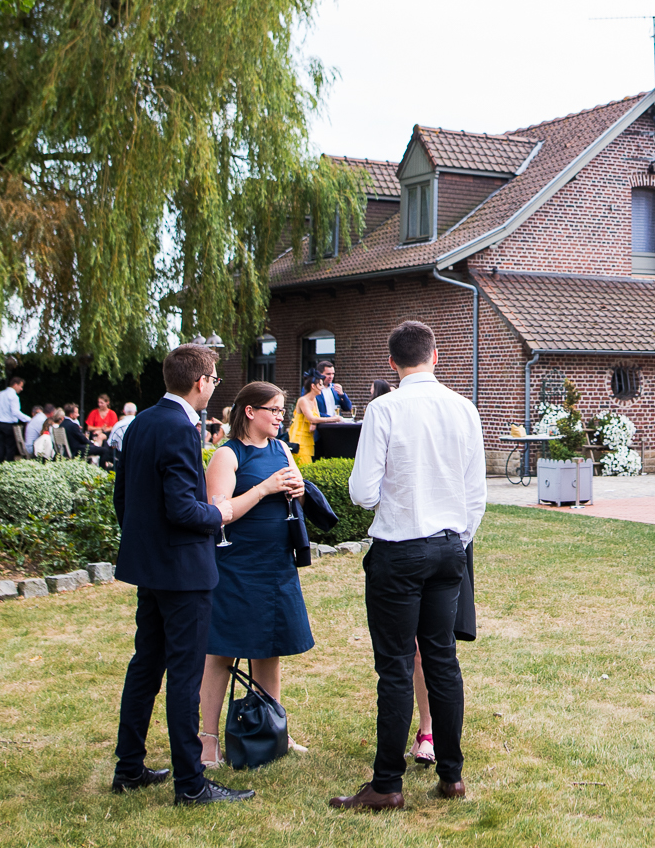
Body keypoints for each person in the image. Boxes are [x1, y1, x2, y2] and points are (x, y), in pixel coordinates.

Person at [329, 320, 486, 812]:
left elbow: (360, 492)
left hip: (399, 548)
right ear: (435, 356)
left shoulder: (384, 408)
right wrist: (458, 541)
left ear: (392, 362)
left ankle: (387, 784)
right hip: (448, 547)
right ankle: (453, 776)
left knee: (396, 666)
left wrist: (393, 501)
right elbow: (475, 493)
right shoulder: (465, 409)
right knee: (441, 659)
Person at [110, 345, 252, 806]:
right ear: (200, 382)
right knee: (184, 676)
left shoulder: (142, 423)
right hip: (182, 571)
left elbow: (123, 500)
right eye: (212, 378)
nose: (214, 385)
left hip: (149, 566)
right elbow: (181, 508)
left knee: (146, 666)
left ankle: (128, 768)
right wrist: (220, 513)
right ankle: (191, 785)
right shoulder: (179, 428)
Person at [198, 382, 324, 767]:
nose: (280, 416)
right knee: (221, 652)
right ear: (250, 411)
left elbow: (293, 495)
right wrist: (265, 488)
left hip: (276, 565)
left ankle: (274, 731)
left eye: (282, 410)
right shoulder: (227, 455)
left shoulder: (282, 448)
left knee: (271, 648)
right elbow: (217, 514)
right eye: (273, 409)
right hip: (237, 567)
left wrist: (300, 490)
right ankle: (207, 742)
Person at [288, 372, 325, 468]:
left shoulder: (314, 400)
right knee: (302, 466)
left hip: (308, 438)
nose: (322, 387)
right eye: (320, 384)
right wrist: (335, 418)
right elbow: (312, 418)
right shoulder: (303, 400)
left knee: (307, 466)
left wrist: (314, 423)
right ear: (313, 386)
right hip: (300, 439)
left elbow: (317, 418)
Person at [0, 374, 30, 462]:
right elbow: (15, 412)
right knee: (10, 446)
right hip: (9, 425)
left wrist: (0, 416)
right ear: (15, 384)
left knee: (0, 446)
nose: (21, 389)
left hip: (0, 424)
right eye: (20, 386)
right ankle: (9, 465)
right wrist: (29, 419)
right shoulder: (13, 396)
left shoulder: (0, 394)